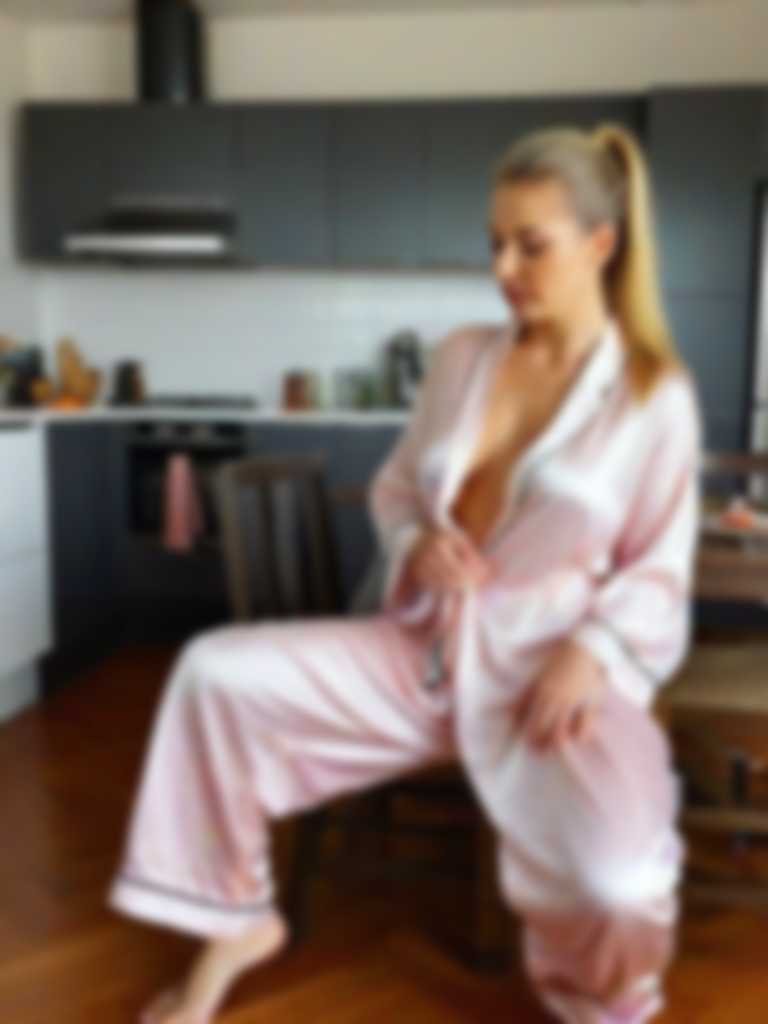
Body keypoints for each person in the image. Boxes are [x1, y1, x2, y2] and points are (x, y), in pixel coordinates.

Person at [107, 120, 703, 1024]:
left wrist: (594, 649)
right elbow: (394, 488)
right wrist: (418, 539)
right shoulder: (463, 358)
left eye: (530, 244)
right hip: (421, 653)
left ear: (600, 243)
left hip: (546, 676)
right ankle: (235, 921)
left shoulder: (654, 395)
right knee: (212, 671)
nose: (504, 267)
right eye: (495, 243)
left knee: (618, 884)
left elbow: (659, 566)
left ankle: (601, 1005)